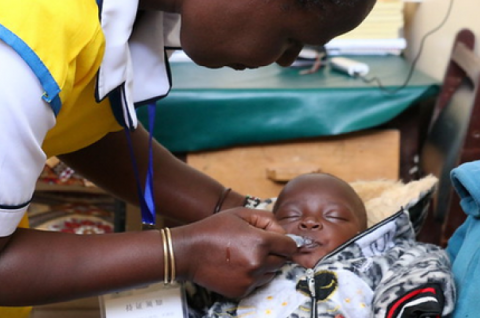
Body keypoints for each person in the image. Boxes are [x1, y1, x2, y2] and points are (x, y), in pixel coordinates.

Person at [0, 0, 377, 311]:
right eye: (292, 37)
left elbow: (81, 125)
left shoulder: (122, 16)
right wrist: (182, 253)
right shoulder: (17, 55)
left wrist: (235, 206)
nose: (286, 59)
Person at [188, 173, 455, 318]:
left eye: (334, 216)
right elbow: (194, 292)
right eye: (291, 216)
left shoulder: (378, 259)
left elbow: (421, 268)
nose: (309, 223)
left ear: (362, 232)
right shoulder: (252, 263)